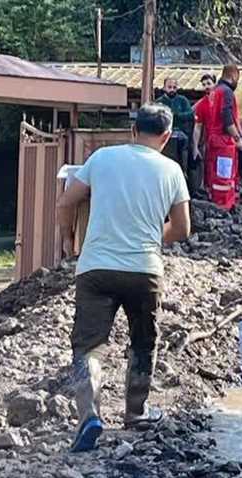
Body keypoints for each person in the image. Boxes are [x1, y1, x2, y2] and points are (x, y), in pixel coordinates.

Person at [57, 104, 191, 452]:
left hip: (96, 268)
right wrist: (148, 233)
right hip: (144, 271)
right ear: (165, 136)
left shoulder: (102, 158)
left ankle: (89, 415)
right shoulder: (172, 170)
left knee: (88, 347)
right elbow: (182, 228)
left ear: (133, 130)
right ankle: (136, 411)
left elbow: (66, 201)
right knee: (143, 341)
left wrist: (67, 239)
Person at [193, 65, 242, 211]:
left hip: (213, 142)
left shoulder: (213, 93)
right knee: (224, 176)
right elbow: (227, 118)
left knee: (215, 175)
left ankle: (216, 202)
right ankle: (224, 205)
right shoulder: (227, 92)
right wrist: (238, 138)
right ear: (234, 76)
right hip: (224, 143)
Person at [157, 77, 195, 170]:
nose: (172, 90)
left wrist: (177, 115)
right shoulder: (159, 102)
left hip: (180, 131)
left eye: (174, 87)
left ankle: (184, 170)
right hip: (164, 132)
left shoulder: (182, 100)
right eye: (169, 87)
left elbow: (190, 115)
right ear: (164, 88)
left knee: (182, 143)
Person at [192, 73, 216, 190]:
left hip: (225, 139)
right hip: (209, 139)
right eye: (204, 84)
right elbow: (197, 127)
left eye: (209, 83)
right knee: (208, 164)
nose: (207, 86)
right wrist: (195, 146)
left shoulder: (223, 99)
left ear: (214, 84)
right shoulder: (202, 104)